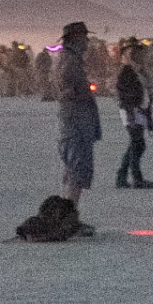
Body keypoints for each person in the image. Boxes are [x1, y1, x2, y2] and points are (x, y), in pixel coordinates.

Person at [56, 21, 101, 201]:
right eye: (84, 37)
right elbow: (67, 88)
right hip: (76, 120)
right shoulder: (70, 60)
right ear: (76, 39)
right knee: (77, 167)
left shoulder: (68, 58)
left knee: (74, 168)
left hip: (75, 118)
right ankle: (69, 214)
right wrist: (81, 94)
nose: (87, 42)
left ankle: (68, 213)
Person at [114, 42, 153, 189]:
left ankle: (122, 177)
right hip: (131, 110)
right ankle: (136, 178)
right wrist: (132, 106)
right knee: (138, 143)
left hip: (139, 109)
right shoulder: (126, 71)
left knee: (135, 143)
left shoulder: (138, 70)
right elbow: (122, 91)